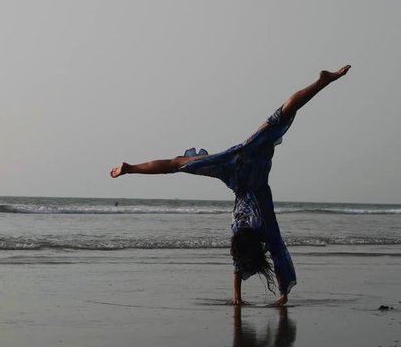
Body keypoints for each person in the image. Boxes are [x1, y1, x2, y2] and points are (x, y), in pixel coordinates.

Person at [110, 65, 351, 306]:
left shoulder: (257, 228)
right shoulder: (240, 226)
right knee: (179, 164)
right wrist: (270, 296)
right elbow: (257, 256)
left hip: (244, 161)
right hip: (233, 169)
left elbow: (270, 253)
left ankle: (130, 168)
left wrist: (268, 296)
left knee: (280, 116)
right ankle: (130, 168)